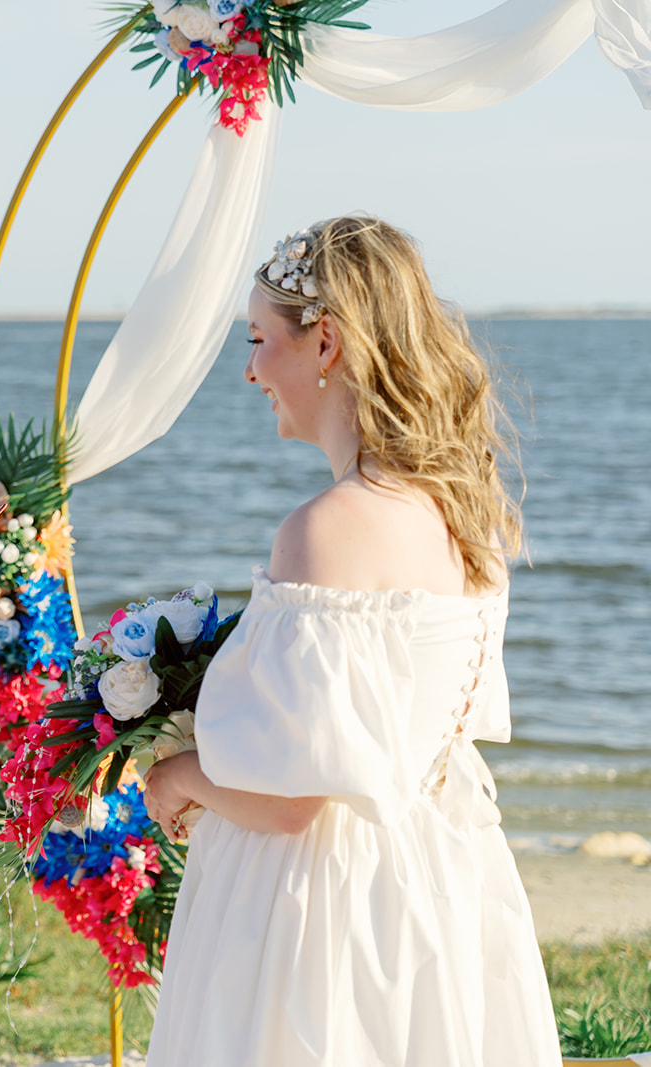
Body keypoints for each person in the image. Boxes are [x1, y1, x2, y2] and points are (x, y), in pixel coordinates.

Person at [142, 216, 562, 1066]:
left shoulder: (325, 530)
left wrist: (177, 774)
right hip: (438, 886)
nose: (252, 367)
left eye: (261, 340)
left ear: (324, 340)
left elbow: (299, 799)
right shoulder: (465, 514)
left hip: (321, 910)